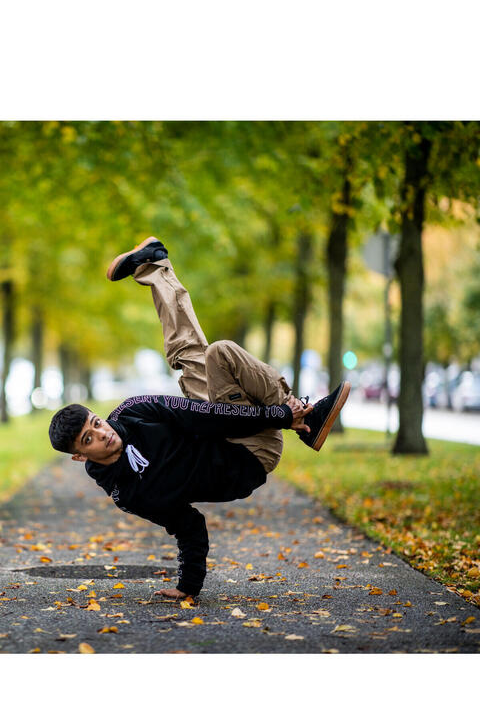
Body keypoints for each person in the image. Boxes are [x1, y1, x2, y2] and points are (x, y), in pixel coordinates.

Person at [48, 236, 350, 600]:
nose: (103, 433)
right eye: (88, 439)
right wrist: (187, 587)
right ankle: (307, 418)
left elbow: (205, 416)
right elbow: (187, 524)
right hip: (251, 454)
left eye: (96, 423)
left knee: (188, 351)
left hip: (219, 425)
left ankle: (154, 265)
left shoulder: (132, 411)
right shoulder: (127, 492)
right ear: (80, 456)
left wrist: (279, 415)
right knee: (221, 353)